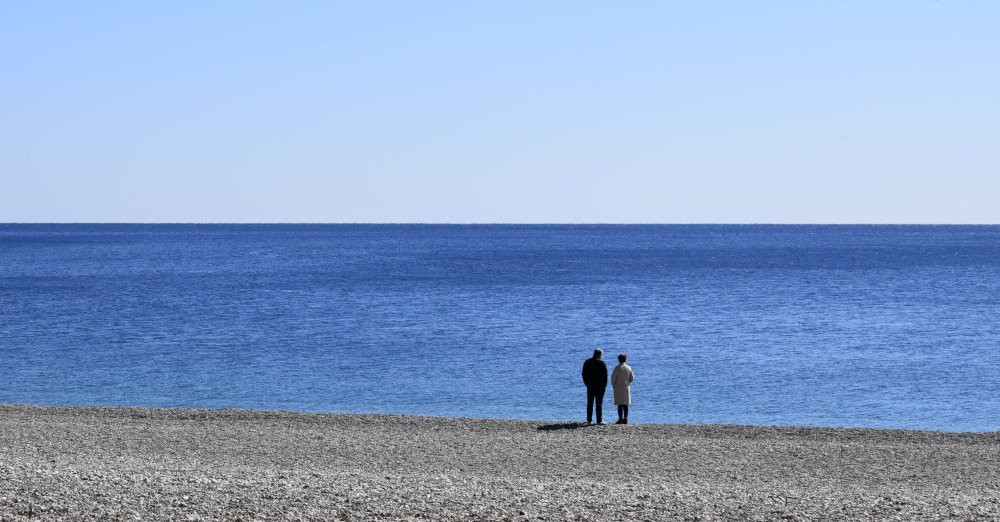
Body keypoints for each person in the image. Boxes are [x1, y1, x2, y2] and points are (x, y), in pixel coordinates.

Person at [581, 348, 608, 425]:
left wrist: (587, 384)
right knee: (599, 403)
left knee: (590, 402)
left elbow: (584, 374)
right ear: (600, 354)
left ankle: (589, 420)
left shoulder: (587, 362)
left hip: (590, 385)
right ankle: (599, 420)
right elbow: (605, 376)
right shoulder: (602, 363)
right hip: (600, 386)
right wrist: (604, 386)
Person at [611, 352, 634, 424]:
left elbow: (613, 378)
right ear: (625, 359)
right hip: (626, 387)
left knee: (619, 404)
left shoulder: (617, 368)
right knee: (625, 404)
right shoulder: (629, 367)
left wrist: (613, 385)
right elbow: (632, 378)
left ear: (619, 360)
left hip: (618, 388)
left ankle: (620, 419)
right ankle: (625, 418)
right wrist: (628, 383)